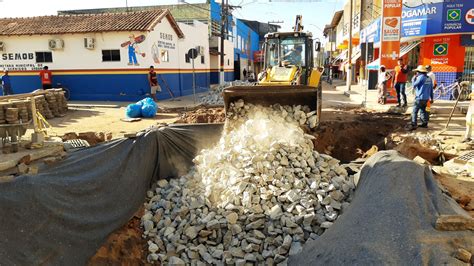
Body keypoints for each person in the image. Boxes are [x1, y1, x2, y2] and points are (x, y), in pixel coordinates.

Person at [409, 65, 434, 131]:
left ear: (419, 72)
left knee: (414, 112)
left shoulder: (420, 77)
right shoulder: (429, 78)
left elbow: (414, 85)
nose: (416, 73)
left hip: (419, 98)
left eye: (417, 72)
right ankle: (424, 123)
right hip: (426, 98)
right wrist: (432, 98)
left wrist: (413, 79)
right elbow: (431, 89)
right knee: (423, 111)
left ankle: (414, 124)